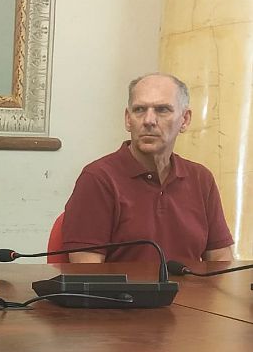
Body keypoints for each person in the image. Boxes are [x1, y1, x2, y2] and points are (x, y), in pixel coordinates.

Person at [62, 73, 233, 263]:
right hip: (123, 285)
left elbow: (221, 260)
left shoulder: (201, 179)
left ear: (184, 119)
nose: (149, 120)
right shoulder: (98, 178)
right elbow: (87, 271)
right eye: (139, 110)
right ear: (128, 119)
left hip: (191, 284)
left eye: (162, 110)